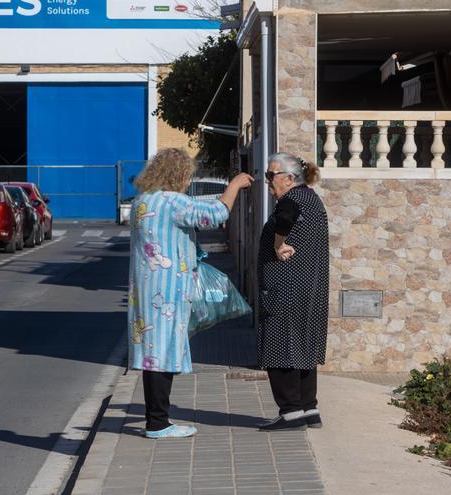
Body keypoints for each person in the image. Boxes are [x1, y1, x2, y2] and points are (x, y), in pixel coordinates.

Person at [128, 148, 253, 439]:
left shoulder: (142, 201)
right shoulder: (172, 202)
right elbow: (214, 215)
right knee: (162, 353)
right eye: (187, 175)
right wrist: (234, 185)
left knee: (153, 353)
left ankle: (156, 419)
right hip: (168, 289)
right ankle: (157, 423)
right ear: (178, 174)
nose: (188, 180)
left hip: (145, 287)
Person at [257, 152, 330, 431]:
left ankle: (290, 412)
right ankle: (308, 409)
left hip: (286, 288)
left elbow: (285, 219)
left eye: (270, 176)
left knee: (280, 345)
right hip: (308, 287)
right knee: (303, 345)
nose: (267, 181)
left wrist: (277, 245)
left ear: (289, 178)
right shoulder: (311, 198)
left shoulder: (292, 200)